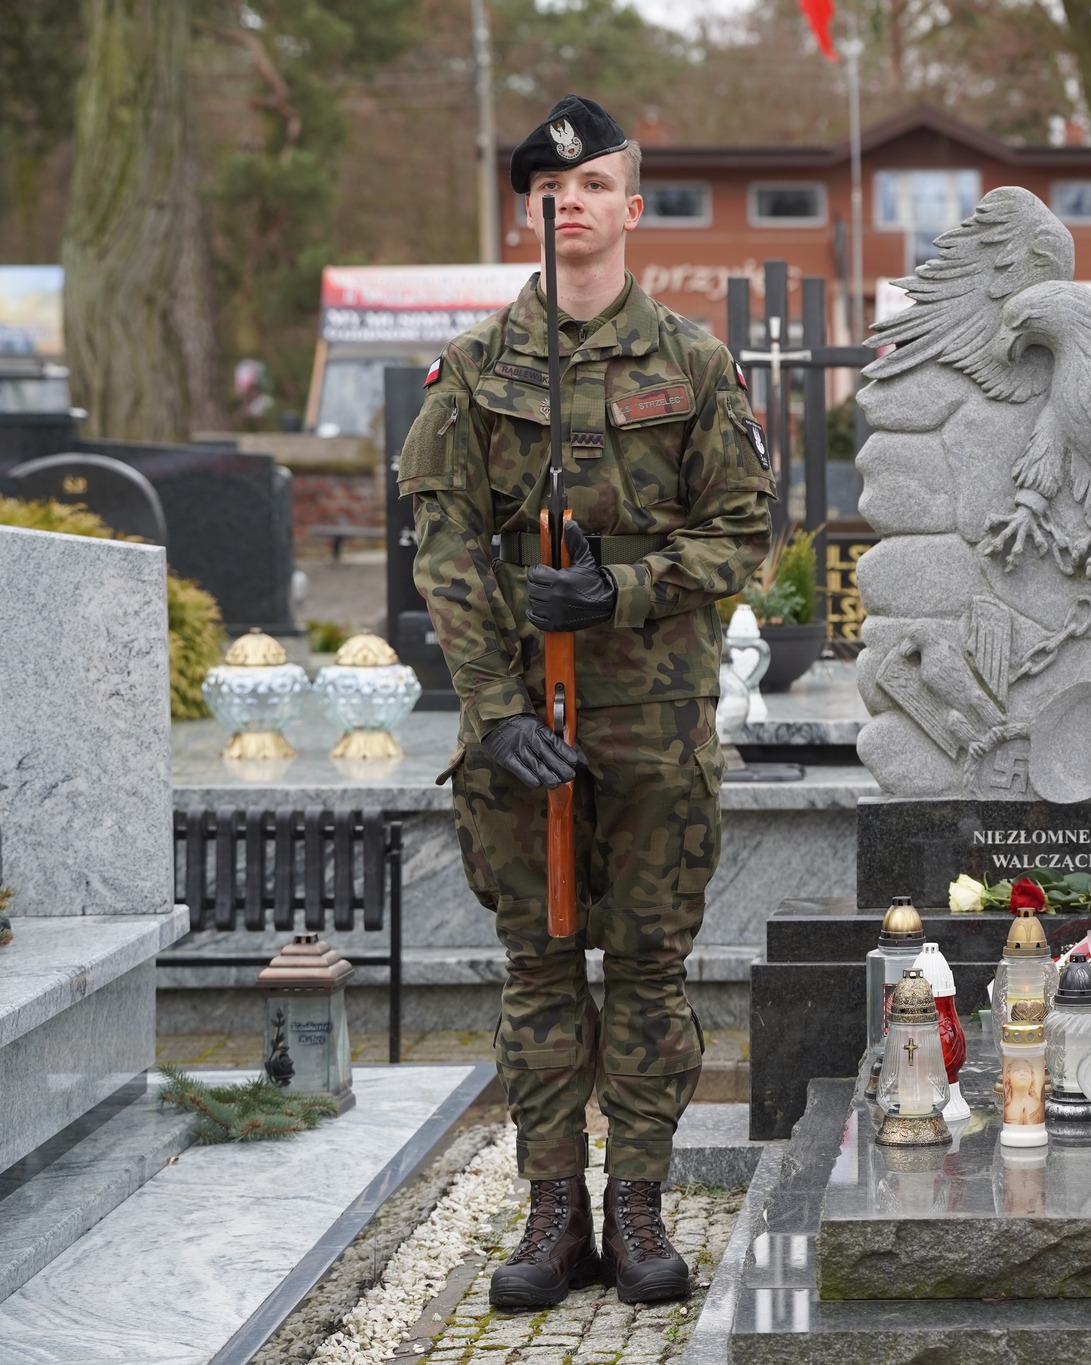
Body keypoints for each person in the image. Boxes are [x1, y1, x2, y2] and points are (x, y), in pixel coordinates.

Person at [397, 93, 774, 1310]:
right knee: (539, 973)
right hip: (526, 736)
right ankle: (552, 1210)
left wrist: (618, 591)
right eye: (551, 194)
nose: (573, 206)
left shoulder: (694, 365)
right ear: (530, 214)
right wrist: (497, 707)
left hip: (655, 726)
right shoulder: (472, 371)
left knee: (652, 976)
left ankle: (639, 1204)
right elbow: (446, 550)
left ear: (630, 205)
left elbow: (740, 538)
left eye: (595, 186)